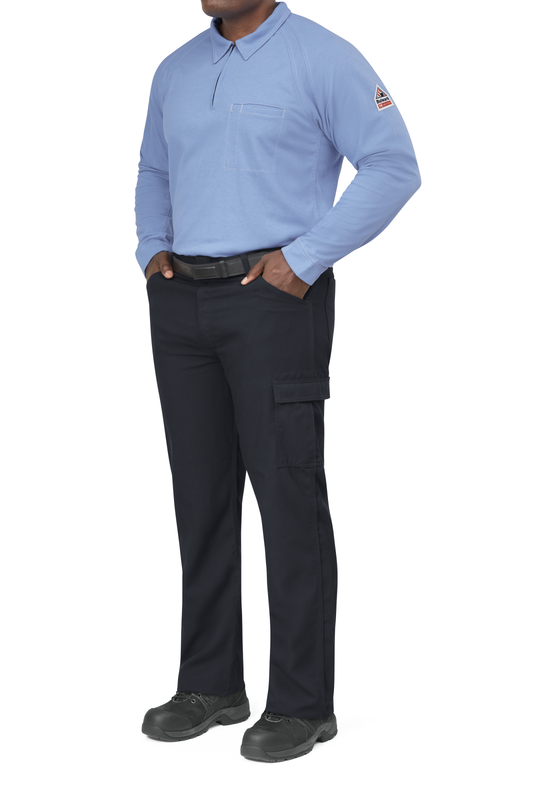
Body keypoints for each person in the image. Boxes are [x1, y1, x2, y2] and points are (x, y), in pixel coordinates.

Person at [134, 0, 420, 762]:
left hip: (273, 299)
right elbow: (154, 169)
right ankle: (210, 684)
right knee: (199, 499)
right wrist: (151, 249)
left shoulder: (322, 57)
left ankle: (302, 702)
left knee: (287, 496)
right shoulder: (175, 70)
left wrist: (305, 258)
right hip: (181, 301)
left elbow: (394, 165)